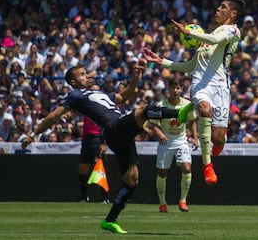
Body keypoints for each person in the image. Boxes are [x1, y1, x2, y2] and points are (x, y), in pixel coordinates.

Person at [21, 63, 193, 234]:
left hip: (121, 136)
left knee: (132, 181)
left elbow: (123, 98)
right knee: (145, 110)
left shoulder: (98, 93)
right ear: (73, 82)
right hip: (113, 128)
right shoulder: (74, 95)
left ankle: (110, 220)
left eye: (86, 72)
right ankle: (178, 113)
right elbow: (53, 117)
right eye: (82, 74)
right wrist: (33, 134)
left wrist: (135, 80)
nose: (87, 76)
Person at [144, 0, 245, 185]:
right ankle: (207, 166)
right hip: (200, 85)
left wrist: (189, 33)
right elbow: (191, 67)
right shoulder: (205, 41)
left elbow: (215, 39)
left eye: (222, 7)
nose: (217, 9)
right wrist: (161, 61)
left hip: (221, 87)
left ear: (232, 13)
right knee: (205, 110)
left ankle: (216, 144)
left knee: (218, 140)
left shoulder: (232, 31)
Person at [147, 77, 198, 213]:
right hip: (166, 141)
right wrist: (160, 133)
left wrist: (195, 138)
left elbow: (192, 121)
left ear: (181, 89)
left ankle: (183, 201)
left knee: (187, 168)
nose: (175, 90)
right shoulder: (160, 105)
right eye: (173, 88)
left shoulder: (187, 104)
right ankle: (162, 203)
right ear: (168, 89)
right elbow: (153, 124)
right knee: (163, 172)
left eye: (178, 88)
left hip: (181, 140)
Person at [78, 83, 109, 204]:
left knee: (100, 169)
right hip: (87, 139)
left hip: (98, 138)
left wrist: (104, 142)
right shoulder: (85, 105)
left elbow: (107, 126)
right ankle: (84, 197)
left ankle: (103, 198)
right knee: (82, 169)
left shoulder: (103, 107)